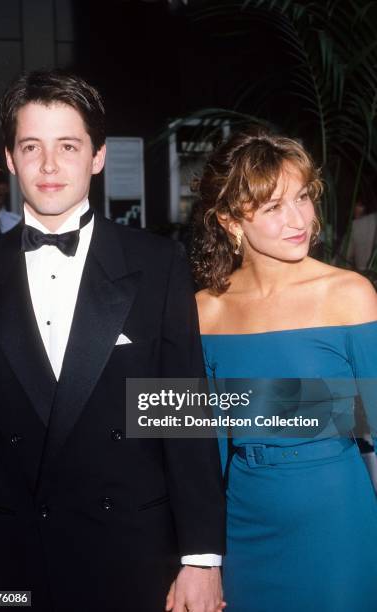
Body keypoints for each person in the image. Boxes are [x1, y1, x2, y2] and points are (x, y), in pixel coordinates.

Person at [0, 70, 226, 612]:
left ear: (98, 156)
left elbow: (182, 412)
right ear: (10, 159)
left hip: (132, 549)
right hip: (9, 563)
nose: (50, 165)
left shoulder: (157, 264)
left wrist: (201, 558)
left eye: (68, 146)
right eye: (31, 147)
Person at [192, 130, 377, 611]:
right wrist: (198, 560)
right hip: (242, 522)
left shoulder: (349, 295)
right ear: (231, 221)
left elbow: (375, 418)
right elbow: (193, 442)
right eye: (273, 207)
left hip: (337, 518)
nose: (299, 220)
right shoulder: (204, 310)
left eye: (301, 198)